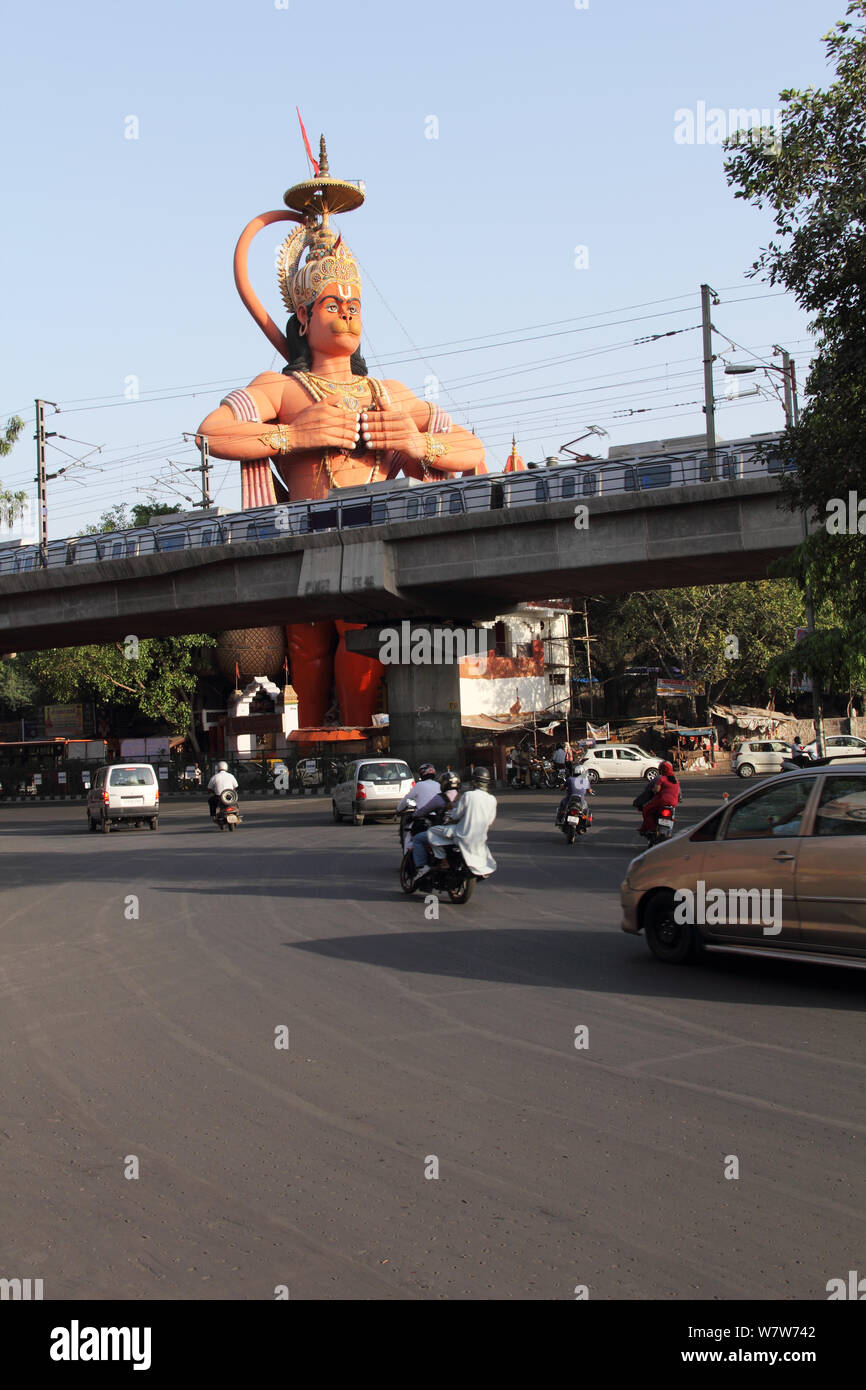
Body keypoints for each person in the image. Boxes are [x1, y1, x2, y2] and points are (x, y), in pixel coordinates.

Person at [196, 136, 486, 729]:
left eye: (355, 302)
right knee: (306, 646)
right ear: (302, 318)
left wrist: (415, 444)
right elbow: (212, 433)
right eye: (332, 302)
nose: (348, 311)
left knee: (361, 641)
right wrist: (294, 437)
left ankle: (354, 733)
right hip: (304, 541)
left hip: (373, 543)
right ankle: (310, 742)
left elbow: (473, 450)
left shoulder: (390, 394)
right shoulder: (282, 390)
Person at [412, 766, 497, 884]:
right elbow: (490, 820)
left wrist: (452, 817)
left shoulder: (468, 796)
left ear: (474, 782)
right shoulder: (491, 799)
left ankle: (442, 861)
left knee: (431, 832)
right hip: (479, 837)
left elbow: (456, 815)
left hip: (460, 834)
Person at [639, 761, 680, 835]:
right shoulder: (676, 780)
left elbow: (656, 790)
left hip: (662, 801)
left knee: (646, 810)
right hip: (673, 803)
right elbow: (678, 792)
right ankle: (669, 832)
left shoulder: (662, 779)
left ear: (662, 770)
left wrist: (653, 790)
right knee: (672, 816)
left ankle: (652, 828)